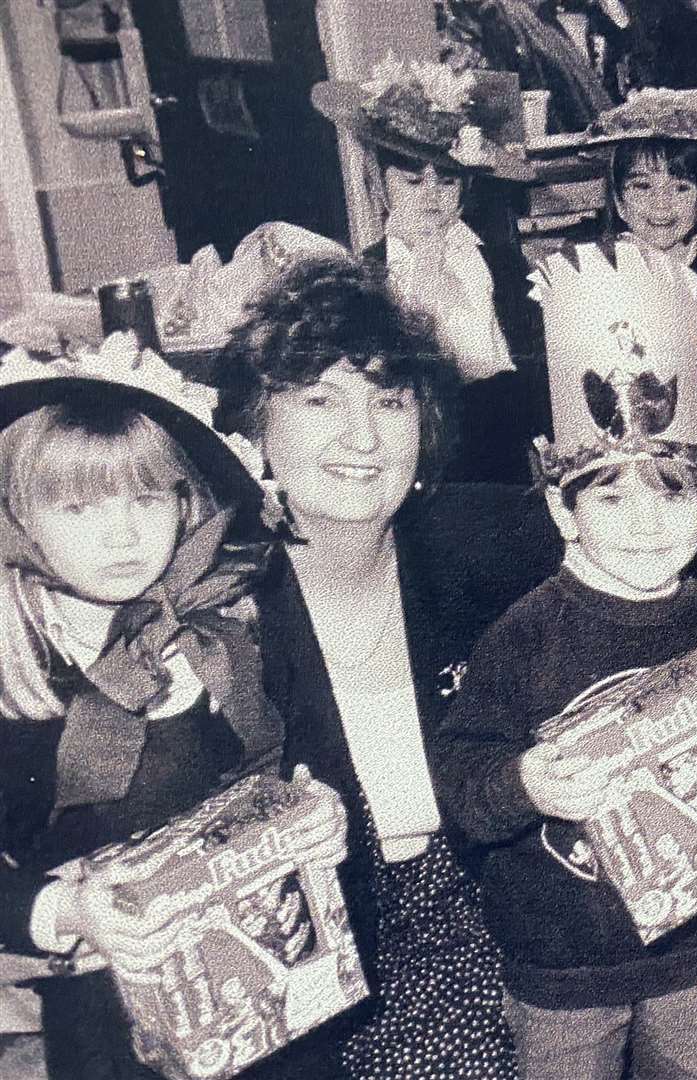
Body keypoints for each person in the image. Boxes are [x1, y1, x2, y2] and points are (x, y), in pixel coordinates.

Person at [431, 239, 697, 1080]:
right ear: (564, 514)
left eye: (672, 492)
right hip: (564, 956)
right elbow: (462, 778)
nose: (645, 521)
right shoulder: (523, 634)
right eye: (610, 493)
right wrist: (526, 784)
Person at [218, 257, 561, 1078]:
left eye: (390, 400)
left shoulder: (488, 541)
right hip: (299, 963)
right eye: (319, 399)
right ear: (256, 425)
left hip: (472, 917)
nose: (364, 437)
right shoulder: (215, 608)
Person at [0, 335, 281, 1078]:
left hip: (262, 986)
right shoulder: (12, 672)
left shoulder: (222, 633)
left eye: (146, 498)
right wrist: (61, 912)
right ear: (17, 519)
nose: (123, 534)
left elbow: (272, 770)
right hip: (109, 1018)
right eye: (78, 507)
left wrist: (301, 816)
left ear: (185, 502)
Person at [552, 87, 697, 606]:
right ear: (616, 198)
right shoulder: (587, 272)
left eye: (679, 187)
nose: (661, 205)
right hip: (625, 484)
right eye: (642, 186)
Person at [313, 56, 547, 486]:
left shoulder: (499, 263)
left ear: (467, 186)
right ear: (378, 185)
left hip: (501, 435)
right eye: (412, 182)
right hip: (416, 445)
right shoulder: (368, 273)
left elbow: (533, 362)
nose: (431, 197)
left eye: (446, 182)